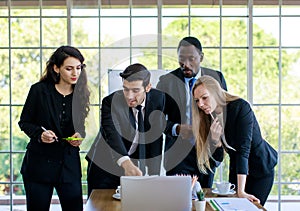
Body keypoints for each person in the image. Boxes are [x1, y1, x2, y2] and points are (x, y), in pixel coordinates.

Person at [18, 46, 90, 211]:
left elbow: (81, 127)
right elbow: (25, 122)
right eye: (69, 68)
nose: (75, 73)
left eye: (78, 68)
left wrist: (79, 135)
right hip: (39, 165)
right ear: (56, 68)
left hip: (69, 165)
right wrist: (39, 134)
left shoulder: (81, 92)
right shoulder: (39, 90)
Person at [192, 75, 277, 205]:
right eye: (197, 100)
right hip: (238, 169)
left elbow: (244, 149)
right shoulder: (209, 116)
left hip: (260, 168)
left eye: (204, 98)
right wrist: (216, 142)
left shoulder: (240, 107)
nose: (201, 104)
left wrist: (241, 191)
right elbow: (216, 161)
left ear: (216, 93)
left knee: (250, 207)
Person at [86, 63, 169, 197]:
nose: (129, 96)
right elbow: (112, 134)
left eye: (135, 90)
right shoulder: (110, 102)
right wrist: (125, 163)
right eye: (125, 89)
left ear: (148, 87)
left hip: (133, 166)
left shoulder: (159, 99)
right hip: (104, 165)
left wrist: (154, 176)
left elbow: (155, 136)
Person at [156, 36, 227, 188]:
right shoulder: (166, 81)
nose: (186, 64)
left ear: (201, 57)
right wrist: (177, 129)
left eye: (191, 59)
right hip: (177, 153)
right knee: (178, 200)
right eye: (181, 59)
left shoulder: (216, 78)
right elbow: (156, 120)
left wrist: (218, 139)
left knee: (204, 197)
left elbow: (224, 112)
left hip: (207, 149)